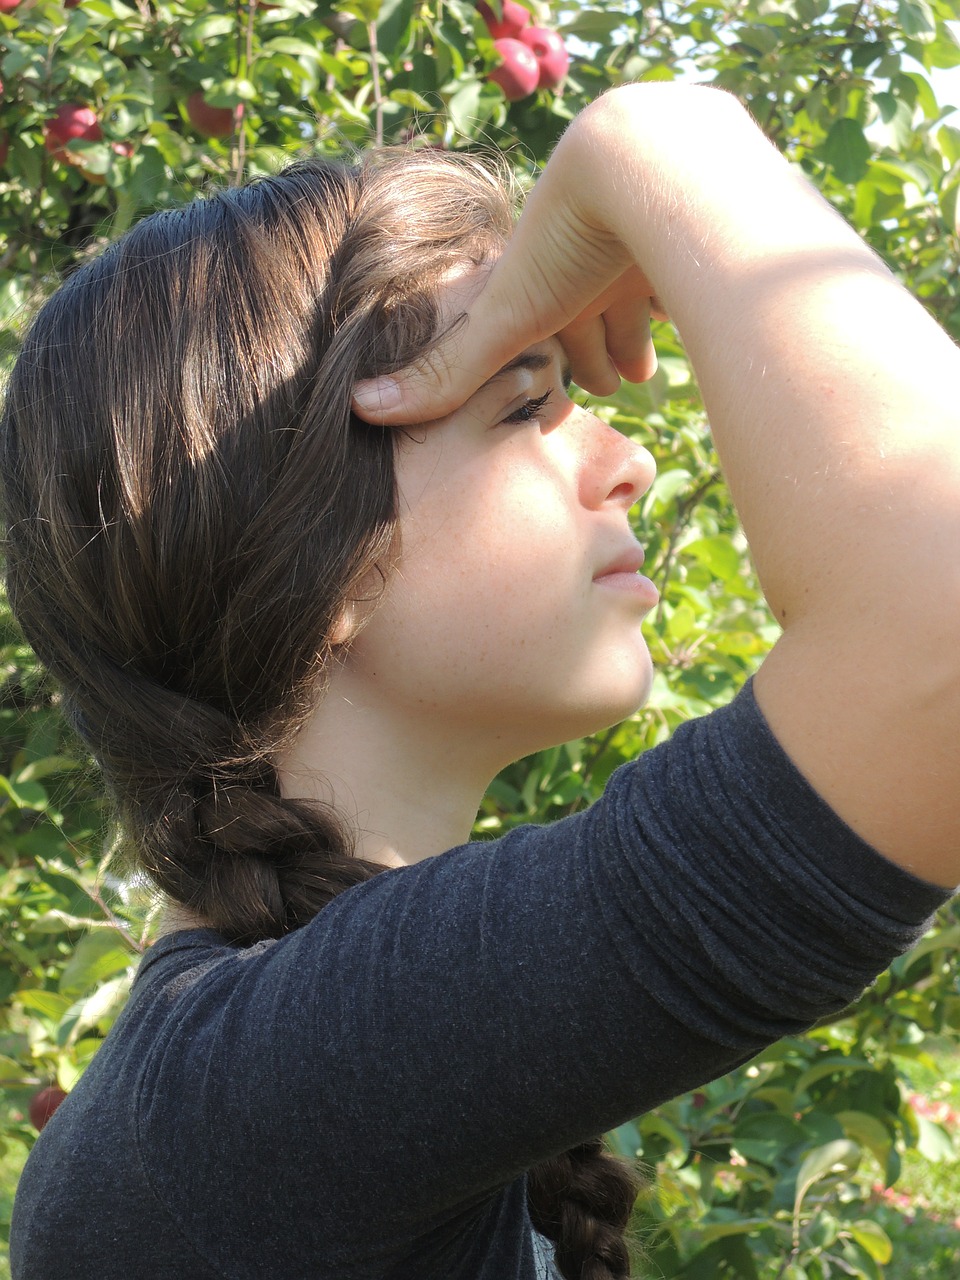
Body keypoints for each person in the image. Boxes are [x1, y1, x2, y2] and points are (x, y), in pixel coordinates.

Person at [3, 82, 958, 1280]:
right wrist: (656, 140)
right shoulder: (240, 1104)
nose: (631, 457)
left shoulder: (267, 1079)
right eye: (524, 404)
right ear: (316, 556)